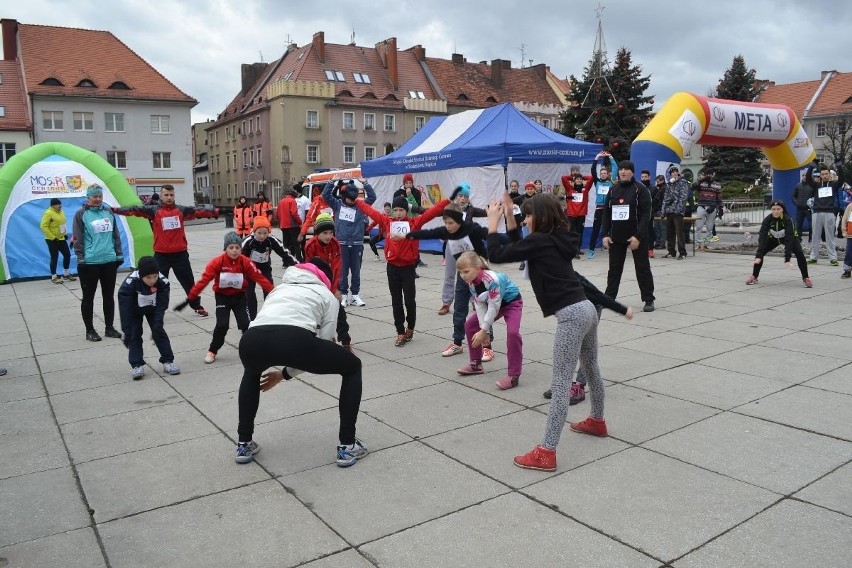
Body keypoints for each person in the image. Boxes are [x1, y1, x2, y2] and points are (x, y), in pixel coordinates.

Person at [486, 192, 607, 472]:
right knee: (591, 368)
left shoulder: (540, 241)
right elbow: (521, 246)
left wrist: (493, 224)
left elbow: (496, 255)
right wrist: (508, 216)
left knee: (562, 382)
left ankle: (546, 451)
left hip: (571, 316)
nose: (524, 219)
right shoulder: (556, 238)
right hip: (586, 309)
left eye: (528, 215)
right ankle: (597, 421)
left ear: (540, 216)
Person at [234, 256, 366, 466]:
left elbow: (270, 322)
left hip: (251, 340)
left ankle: (244, 443)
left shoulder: (278, 289)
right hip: (294, 340)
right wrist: (285, 374)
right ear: (324, 278)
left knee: (251, 372)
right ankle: (347, 445)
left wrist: (281, 374)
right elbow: (322, 344)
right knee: (352, 366)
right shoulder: (325, 294)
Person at [396, 201, 490, 359]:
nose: (448, 226)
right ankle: (457, 343)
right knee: (459, 309)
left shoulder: (472, 230)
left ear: (459, 220)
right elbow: (428, 233)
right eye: (445, 222)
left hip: (480, 275)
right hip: (464, 275)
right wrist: (406, 236)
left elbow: (491, 235)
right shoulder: (446, 232)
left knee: (482, 310)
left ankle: (488, 346)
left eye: (451, 223)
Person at [356, 192, 450, 346]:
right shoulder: (387, 222)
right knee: (396, 301)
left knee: (409, 301)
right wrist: (357, 202)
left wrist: (447, 199)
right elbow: (371, 211)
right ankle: (400, 331)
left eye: (401, 210)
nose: (398, 213)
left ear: (407, 211)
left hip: (407, 268)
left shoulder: (414, 223)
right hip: (392, 267)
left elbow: (431, 213)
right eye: (396, 210)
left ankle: (410, 327)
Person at [114, 184, 218, 317]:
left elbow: (198, 211)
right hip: (161, 255)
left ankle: (196, 305)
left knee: (189, 282)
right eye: (166, 195)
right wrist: (116, 210)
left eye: (171, 195)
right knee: (157, 284)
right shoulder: (153, 210)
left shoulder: (181, 210)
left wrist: (215, 212)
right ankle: (158, 308)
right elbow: (134, 209)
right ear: (161, 196)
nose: (169, 197)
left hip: (180, 254)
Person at [542, 273, 634, 401]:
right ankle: (562, 385)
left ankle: (580, 385)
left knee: (584, 350)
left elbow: (600, 297)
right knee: (564, 348)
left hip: (591, 308)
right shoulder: (547, 276)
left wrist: (623, 310)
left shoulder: (573, 279)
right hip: (571, 312)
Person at [187, 231, 274, 364]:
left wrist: (272, 290)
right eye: (231, 248)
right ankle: (213, 350)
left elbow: (259, 277)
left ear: (241, 249)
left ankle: (252, 350)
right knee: (222, 325)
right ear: (225, 248)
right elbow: (205, 279)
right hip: (222, 298)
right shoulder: (217, 262)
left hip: (240, 297)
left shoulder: (246, 262)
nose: (234, 251)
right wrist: (193, 295)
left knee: (246, 324)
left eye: (237, 248)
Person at [454, 252, 523, 390]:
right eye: (460, 272)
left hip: (511, 303)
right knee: (469, 325)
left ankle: (514, 376)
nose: (463, 275)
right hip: (491, 304)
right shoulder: (471, 282)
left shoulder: (492, 279)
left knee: (513, 333)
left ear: (478, 268)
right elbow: (479, 305)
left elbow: (494, 307)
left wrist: (484, 330)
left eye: (466, 271)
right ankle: (476, 364)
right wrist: (482, 330)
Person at [601, 160, 656, 312]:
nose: (623, 172)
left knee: (642, 267)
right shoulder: (613, 190)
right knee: (614, 268)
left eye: (626, 169)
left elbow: (647, 215)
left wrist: (638, 236)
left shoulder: (640, 189)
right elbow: (606, 213)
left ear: (632, 171)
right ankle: (609, 298)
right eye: (621, 169)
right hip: (617, 236)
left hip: (636, 236)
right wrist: (605, 234)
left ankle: (648, 299)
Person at [72, 185, 123, 342]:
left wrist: (118, 254)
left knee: (108, 296)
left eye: (100, 196)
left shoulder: (108, 211)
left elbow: (115, 234)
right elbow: (77, 238)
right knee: (88, 297)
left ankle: (109, 327)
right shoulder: (81, 214)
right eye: (94, 196)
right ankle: (90, 330)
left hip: (109, 260)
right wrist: (81, 258)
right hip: (90, 262)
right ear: (88, 197)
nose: (98, 199)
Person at [117, 256, 179, 380]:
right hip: (134, 309)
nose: (152, 280)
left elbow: (162, 304)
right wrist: (126, 329)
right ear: (141, 275)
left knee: (159, 332)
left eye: (155, 276)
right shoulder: (130, 283)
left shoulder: (162, 282)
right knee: (134, 335)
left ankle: (168, 361)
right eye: (148, 277)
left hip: (153, 308)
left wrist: (157, 323)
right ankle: (137, 364)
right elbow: (125, 308)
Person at [322, 178, 377, 307]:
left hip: (357, 242)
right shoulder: (337, 205)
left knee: (356, 271)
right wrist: (331, 182)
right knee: (342, 271)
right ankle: (344, 295)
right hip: (341, 243)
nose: (352, 201)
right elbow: (325, 195)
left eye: (354, 198)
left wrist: (365, 183)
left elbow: (373, 197)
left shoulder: (361, 206)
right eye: (349, 199)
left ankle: (356, 294)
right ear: (344, 196)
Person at [242, 216, 297, 320]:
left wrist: (296, 264)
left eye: (265, 233)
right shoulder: (248, 241)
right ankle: (251, 319)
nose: (262, 236)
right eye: (259, 233)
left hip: (265, 269)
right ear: (254, 232)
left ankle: (269, 316)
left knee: (269, 292)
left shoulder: (271, 240)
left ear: (268, 232)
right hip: (249, 270)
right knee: (249, 294)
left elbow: (284, 252)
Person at [746, 201, 812, 288]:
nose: (776, 211)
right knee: (760, 254)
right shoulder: (767, 220)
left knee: (800, 253)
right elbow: (762, 237)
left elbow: (789, 239)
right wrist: (758, 255)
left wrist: (787, 258)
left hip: (789, 239)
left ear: (782, 210)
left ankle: (806, 278)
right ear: (771, 210)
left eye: (778, 209)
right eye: (773, 209)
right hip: (773, 239)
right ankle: (754, 276)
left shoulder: (788, 220)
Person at [806, 162, 844, 265]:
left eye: (826, 174)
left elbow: (841, 181)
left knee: (830, 236)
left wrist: (839, 167)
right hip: (817, 213)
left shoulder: (833, 185)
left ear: (829, 175)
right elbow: (808, 180)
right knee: (815, 236)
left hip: (829, 213)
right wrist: (811, 167)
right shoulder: (817, 185)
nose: (824, 176)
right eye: (822, 174)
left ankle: (833, 258)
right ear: (820, 176)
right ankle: (813, 257)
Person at [587, 151, 618, 259]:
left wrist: (610, 157)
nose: (603, 175)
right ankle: (591, 250)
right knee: (596, 229)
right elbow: (592, 171)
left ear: (608, 174)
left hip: (609, 208)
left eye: (605, 173)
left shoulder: (612, 182)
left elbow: (615, 169)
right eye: (602, 173)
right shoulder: (597, 182)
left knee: (611, 229)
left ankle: (612, 249)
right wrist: (597, 158)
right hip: (599, 208)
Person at [393, 173, 427, 268]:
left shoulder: (416, 192)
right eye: (406, 183)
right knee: (403, 241)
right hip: (402, 220)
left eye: (410, 183)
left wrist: (409, 195)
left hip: (413, 219)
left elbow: (417, 207)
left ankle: (416, 260)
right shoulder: (397, 192)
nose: (408, 185)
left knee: (414, 240)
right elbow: (395, 207)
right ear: (403, 183)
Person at [40, 197, 75, 284]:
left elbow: (62, 224)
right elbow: (43, 226)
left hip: (61, 238)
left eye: (60, 204)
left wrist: (64, 234)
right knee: (54, 257)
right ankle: (54, 277)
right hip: (51, 239)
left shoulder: (61, 212)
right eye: (58, 204)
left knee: (67, 255)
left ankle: (66, 274)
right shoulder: (48, 213)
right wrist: (52, 237)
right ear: (53, 205)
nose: (60, 205)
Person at [692, 169, 723, 251]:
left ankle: (706, 243)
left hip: (712, 207)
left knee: (709, 227)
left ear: (713, 175)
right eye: (707, 174)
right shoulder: (701, 183)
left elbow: (719, 198)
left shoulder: (717, 185)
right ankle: (697, 244)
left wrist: (720, 208)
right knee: (699, 226)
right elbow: (692, 187)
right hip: (701, 206)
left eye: (710, 174)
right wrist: (701, 180)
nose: (709, 176)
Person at [662, 166, 690, 259]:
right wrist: (663, 211)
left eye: (675, 172)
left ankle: (682, 252)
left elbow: (683, 198)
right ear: (670, 175)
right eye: (672, 172)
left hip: (678, 212)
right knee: (670, 232)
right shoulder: (669, 184)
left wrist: (677, 209)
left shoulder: (683, 183)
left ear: (678, 173)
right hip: (669, 211)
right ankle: (671, 251)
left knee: (679, 232)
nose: (674, 173)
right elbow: (665, 198)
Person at [275, 189, 302, 261]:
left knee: (286, 245)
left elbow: (277, 214)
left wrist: (280, 224)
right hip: (292, 226)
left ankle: (286, 261)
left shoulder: (281, 201)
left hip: (284, 226)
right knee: (296, 244)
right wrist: (300, 222)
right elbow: (294, 213)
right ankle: (298, 259)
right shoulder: (292, 201)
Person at [791, 172, 814, 243]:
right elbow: (793, 196)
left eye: (806, 175)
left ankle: (811, 239)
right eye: (803, 175)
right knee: (798, 225)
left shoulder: (812, 186)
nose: (804, 177)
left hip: (808, 209)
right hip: (799, 209)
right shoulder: (798, 185)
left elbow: (814, 197)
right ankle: (798, 239)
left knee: (811, 225)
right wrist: (796, 203)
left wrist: (812, 204)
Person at [651, 174, 667, 250]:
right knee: (657, 227)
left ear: (662, 180)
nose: (657, 183)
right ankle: (658, 242)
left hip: (661, 210)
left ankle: (661, 243)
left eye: (658, 181)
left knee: (661, 227)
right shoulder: (661, 188)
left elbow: (659, 200)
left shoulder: (663, 188)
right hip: (658, 209)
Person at [840, 200, 852, 279]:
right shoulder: (850, 206)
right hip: (851, 235)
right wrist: (844, 231)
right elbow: (844, 219)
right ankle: (847, 270)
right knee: (849, 253)